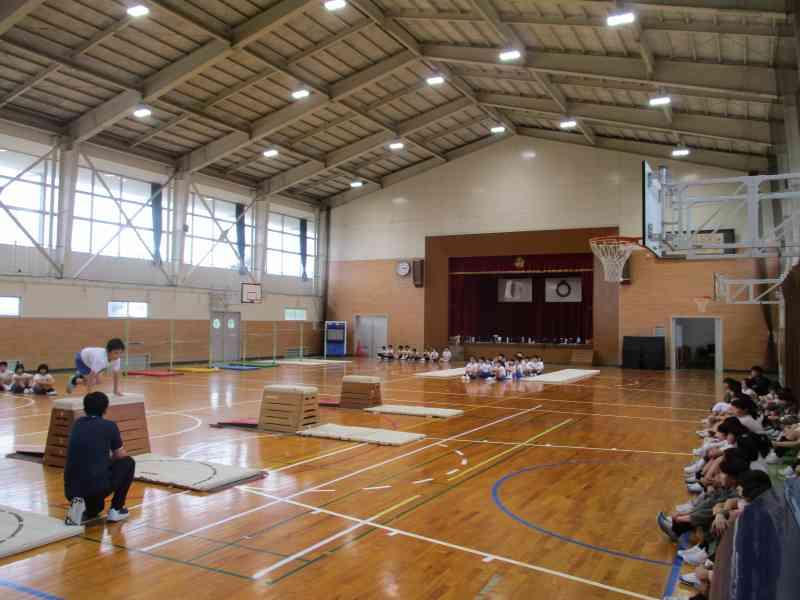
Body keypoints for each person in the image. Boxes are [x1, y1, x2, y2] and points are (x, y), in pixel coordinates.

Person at [64, 392, 135, 525]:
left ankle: (79, 503)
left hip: (71, 489)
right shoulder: (109, 426)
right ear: (105, 409)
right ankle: (116, 509)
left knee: (96, 509)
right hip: (96, 487)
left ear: (84, 408)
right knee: (128, 462)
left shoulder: (77, 423)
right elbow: (121, 455)